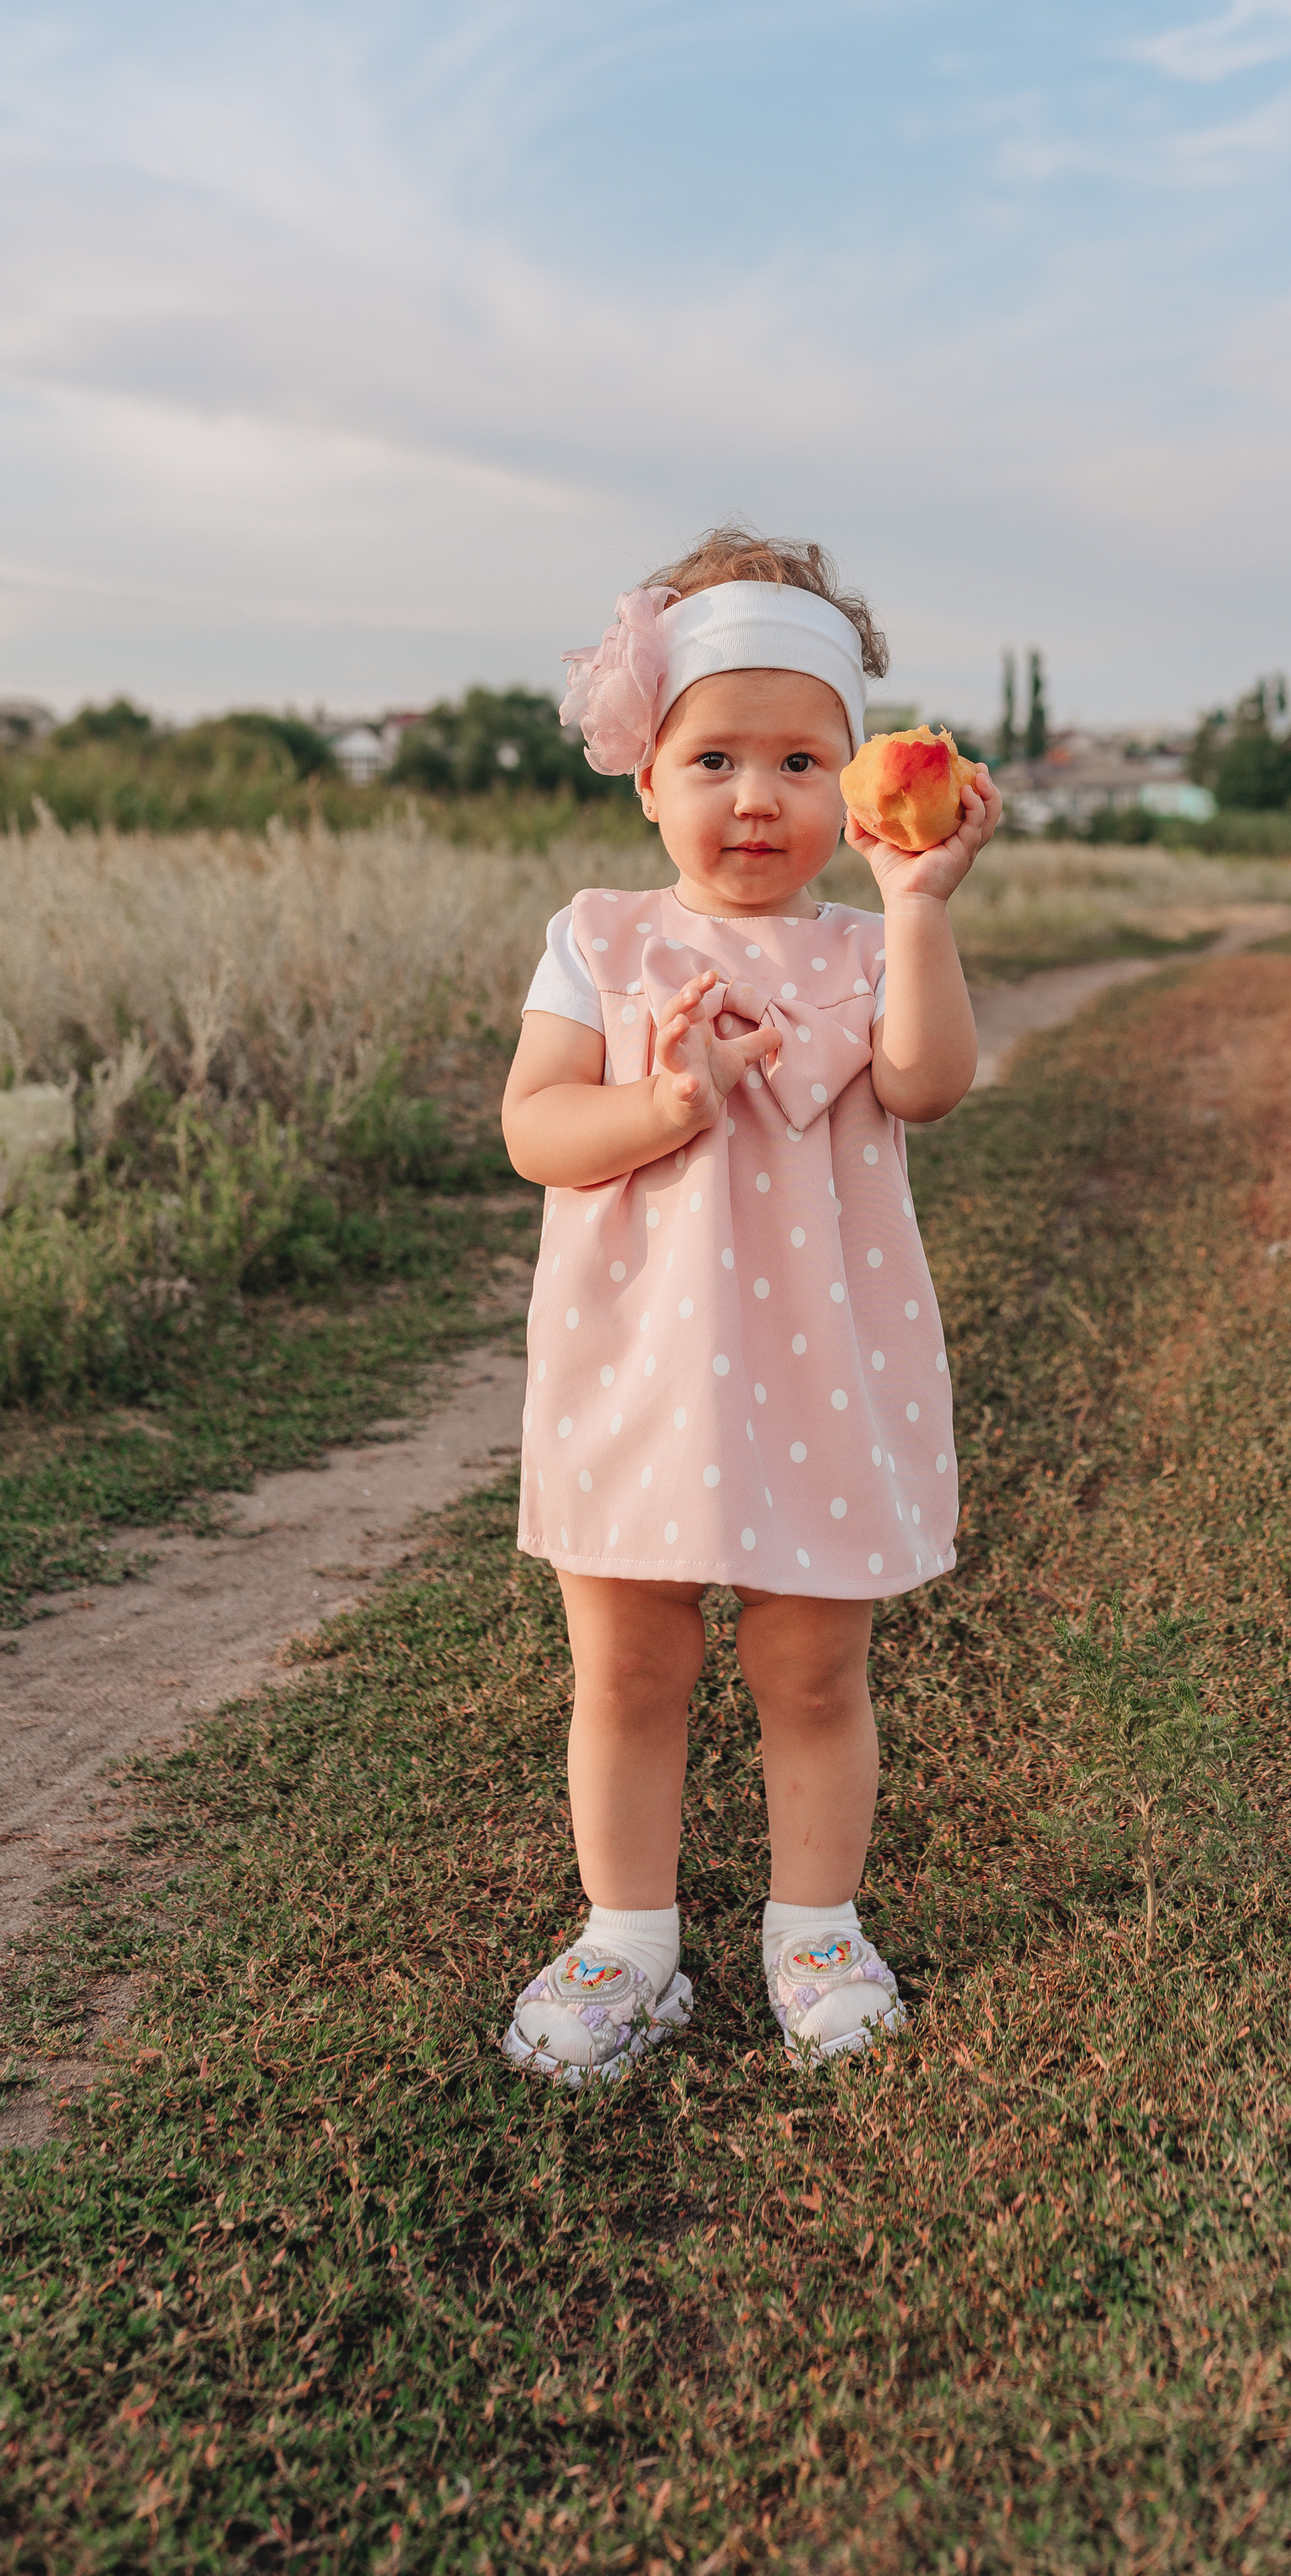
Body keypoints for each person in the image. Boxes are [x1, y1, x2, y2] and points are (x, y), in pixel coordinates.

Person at [497, 528, 999, 2088]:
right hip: (637, 1373)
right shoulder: (602, 937)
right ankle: (626, 1940)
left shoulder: (863, 949)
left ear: (858, 786)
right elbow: (535, 1130)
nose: (756, 796)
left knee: (811, 1669)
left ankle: (816, 1928)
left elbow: (927, 1079)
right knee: (631, 1668)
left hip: (818, 1375)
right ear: (644, 773)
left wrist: (917, 906)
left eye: (800, 758)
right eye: (713, 755)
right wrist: (663, 1103)